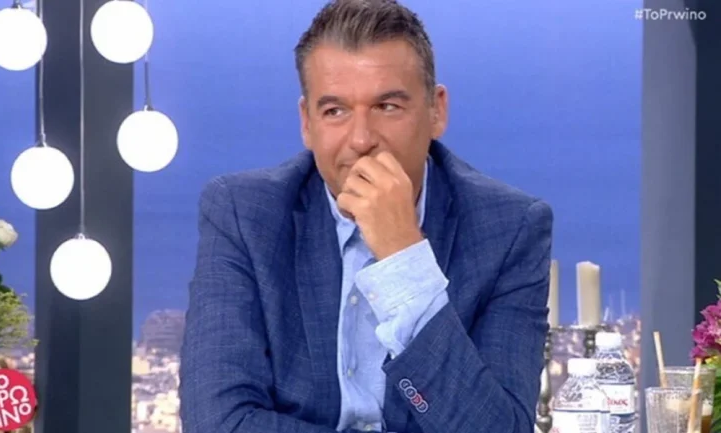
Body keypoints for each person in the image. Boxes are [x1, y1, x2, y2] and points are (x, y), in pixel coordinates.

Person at [179, 0, 553, 432]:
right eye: (335, 111)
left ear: (437, 110)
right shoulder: (243, 215)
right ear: (307, 122)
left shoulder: (510, 228)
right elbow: (218, 422)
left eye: (387, 106)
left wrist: (404, 258)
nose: (361, 140)